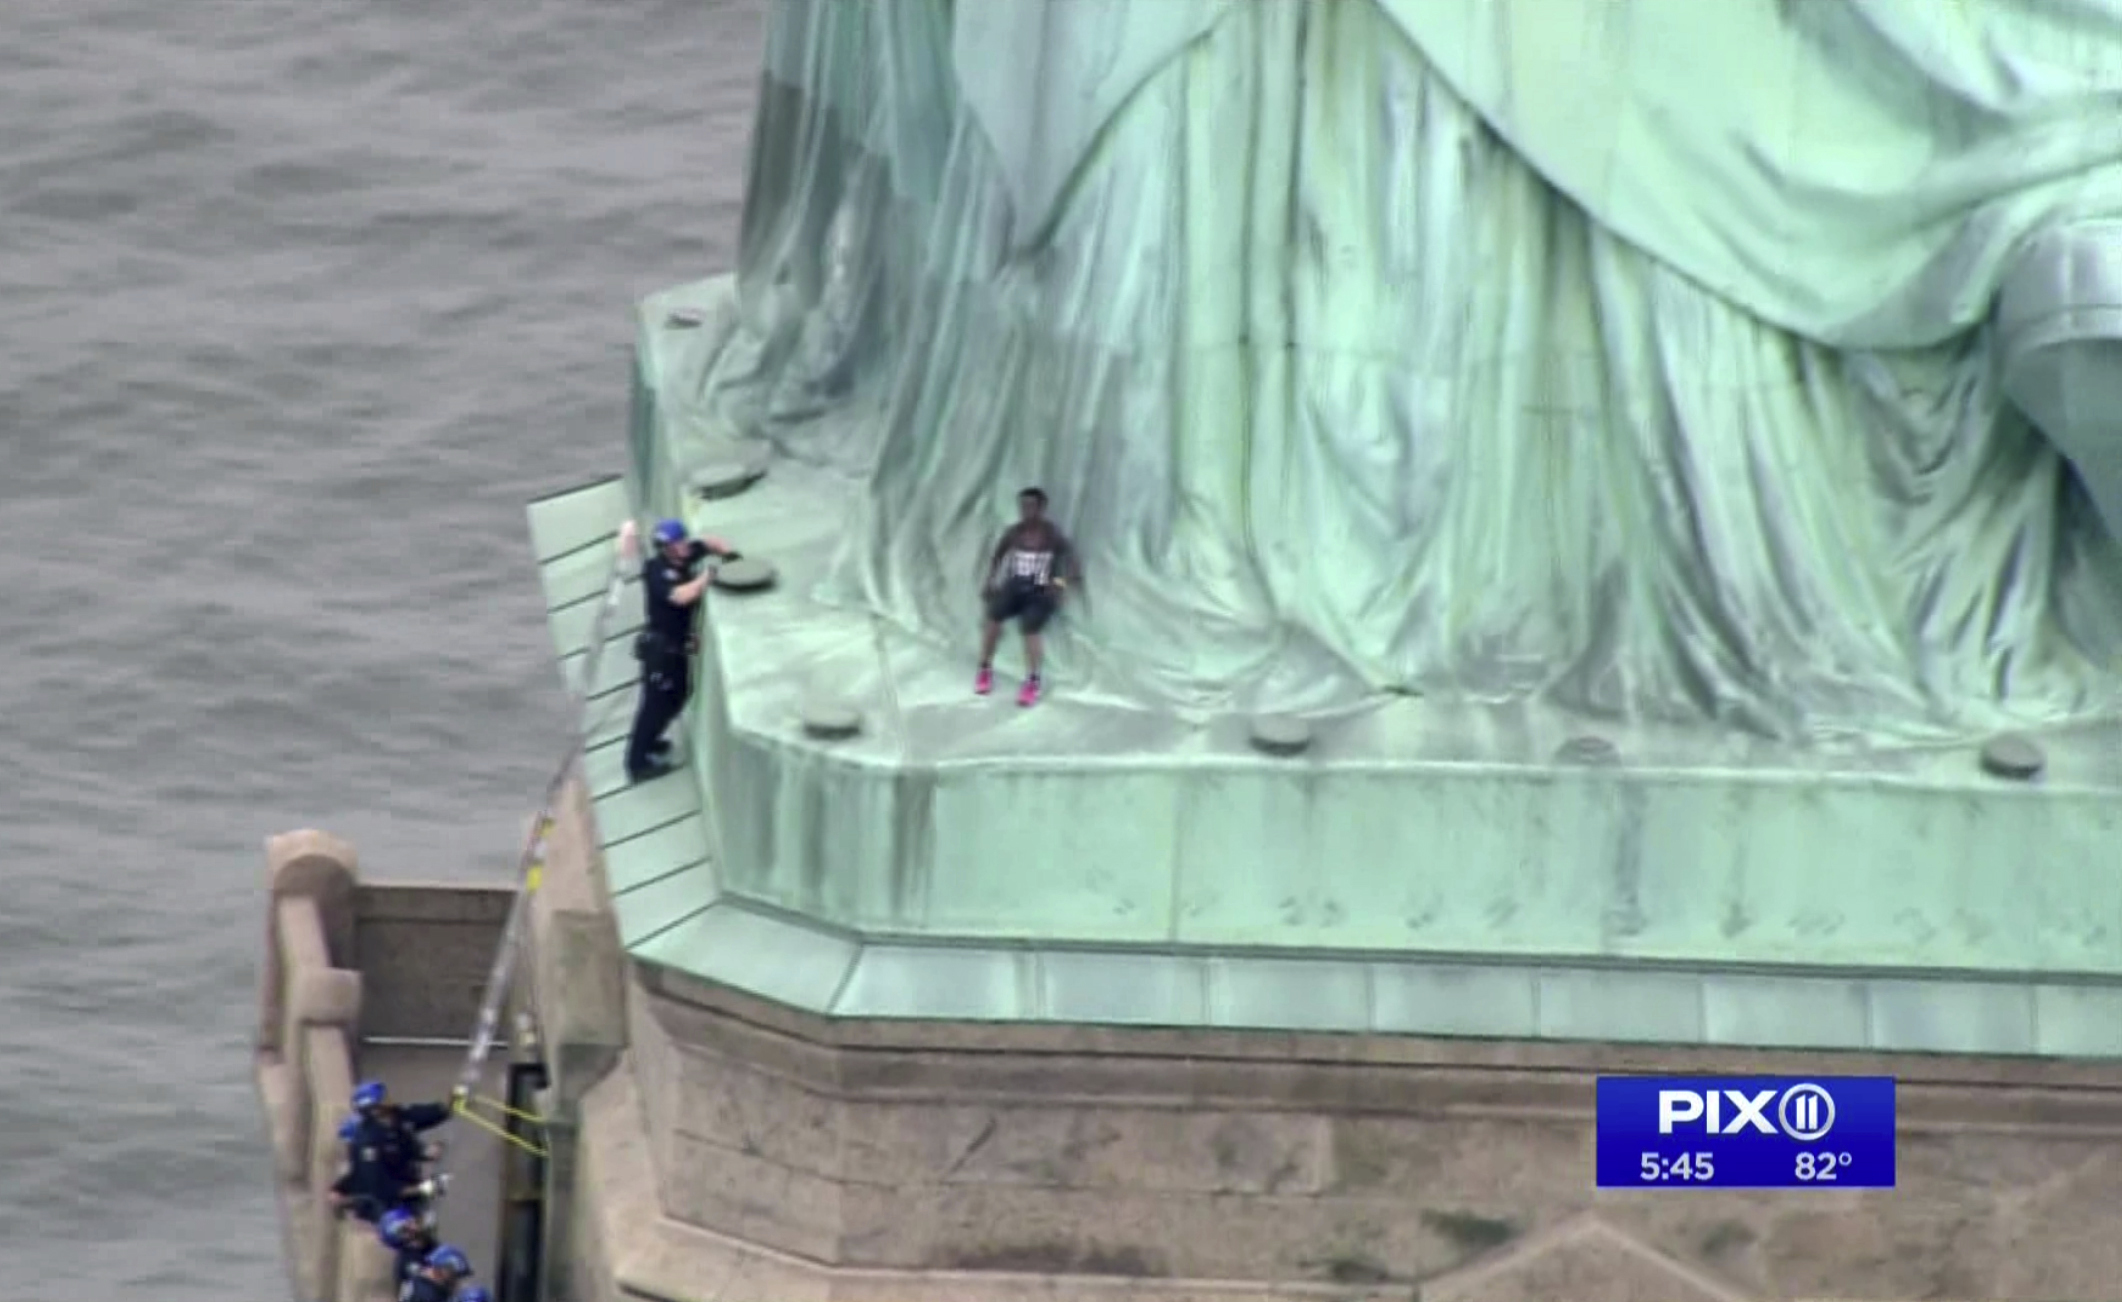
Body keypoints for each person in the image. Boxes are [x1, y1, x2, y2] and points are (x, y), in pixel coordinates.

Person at [627, 517, 738, 783]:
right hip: (661, 651)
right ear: (667, 549)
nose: (684, 546)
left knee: (680, 695)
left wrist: (729, 554)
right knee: (654, 706)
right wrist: (706, 578)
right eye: (678, 543)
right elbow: (680, 596)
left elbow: (709, 542)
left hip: (678, 648)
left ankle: (652, 741)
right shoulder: (656, 571)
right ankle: (637, 763)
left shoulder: (686, 554)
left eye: (684, 540)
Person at [975, 487, 1079, 707]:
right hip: (1014, 585)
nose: (1026, 511)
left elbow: (1073, 563)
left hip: (1040, 590)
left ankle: (1032, 681)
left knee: (1030, 627)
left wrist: (1059, 584)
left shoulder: (1052, 535)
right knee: (993, 616)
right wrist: (990, 580)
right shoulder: (1014, 533)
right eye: (1023, 506)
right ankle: (984, 669)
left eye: (1031, 506)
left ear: (1042, 508)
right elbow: (997, 556)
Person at [327, 1080, 456, 1223]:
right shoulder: (369, 1145)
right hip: (392, 1206)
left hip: (410, 1183)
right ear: (375, 1110)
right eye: (383, 1098)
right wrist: (423, 1188)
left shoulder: (395, 1116)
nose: (389, 1098)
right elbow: (382, 1187)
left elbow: (418, 1116)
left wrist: (447, 1107)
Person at [377, 1208, 438, 1290]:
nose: (411, 1223)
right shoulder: (406, 1263)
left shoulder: (430, 1245)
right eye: (410, 1223)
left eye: (414, 1221)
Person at [398, 1244, 473, 1302]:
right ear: (441, 1269)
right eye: (455, 1276)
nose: (456, 1281)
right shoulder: (430, 1293)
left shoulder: (420, 1282)